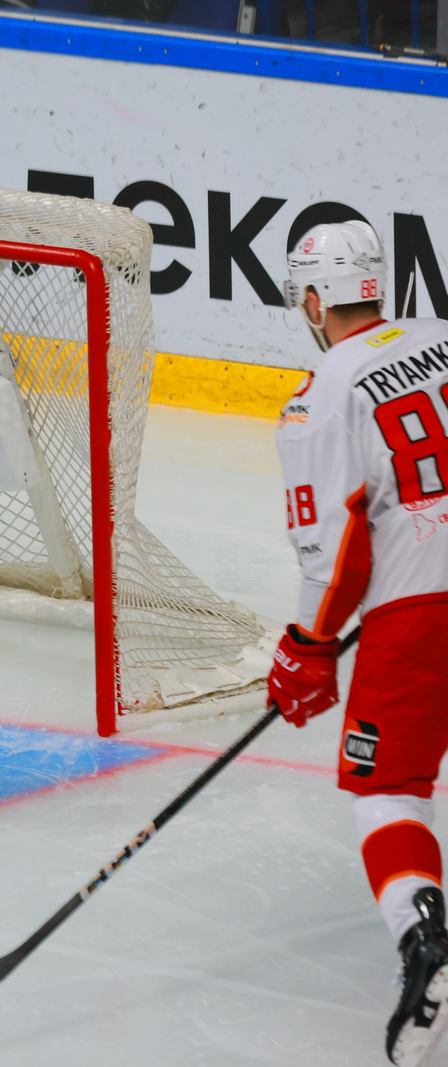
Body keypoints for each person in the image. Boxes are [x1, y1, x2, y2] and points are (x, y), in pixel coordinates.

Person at [270, 220, 448, 1066]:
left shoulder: (322, 393)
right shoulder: (444, 337)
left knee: (388, 791)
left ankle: (424, 937)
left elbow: (336, 545)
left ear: (312, 299)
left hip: (422, 615)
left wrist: (309, 642)